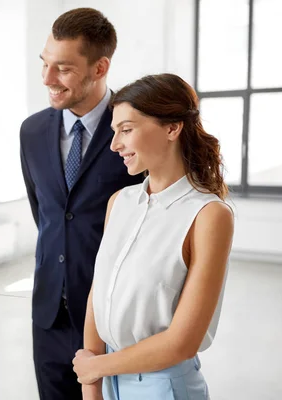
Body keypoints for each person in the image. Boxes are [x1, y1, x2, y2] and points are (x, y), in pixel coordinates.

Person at [72, 73, 234, 400]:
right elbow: (98, 292)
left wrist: (98, 367)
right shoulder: (119, 202)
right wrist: (91, 385)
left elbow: (182, 342)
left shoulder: (208, 215)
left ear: (172, 128)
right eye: (114, 132)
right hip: (106, 376)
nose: (115, 144)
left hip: (163, 387)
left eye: (126, 130)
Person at [19, 8, 143, 400]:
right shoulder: (32, 131)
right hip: (49, 315)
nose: (47, 79)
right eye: (45, 64)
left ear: (100, 67)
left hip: (114, 315)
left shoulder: (136, 128)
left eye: (64, 69)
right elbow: (46, 216)